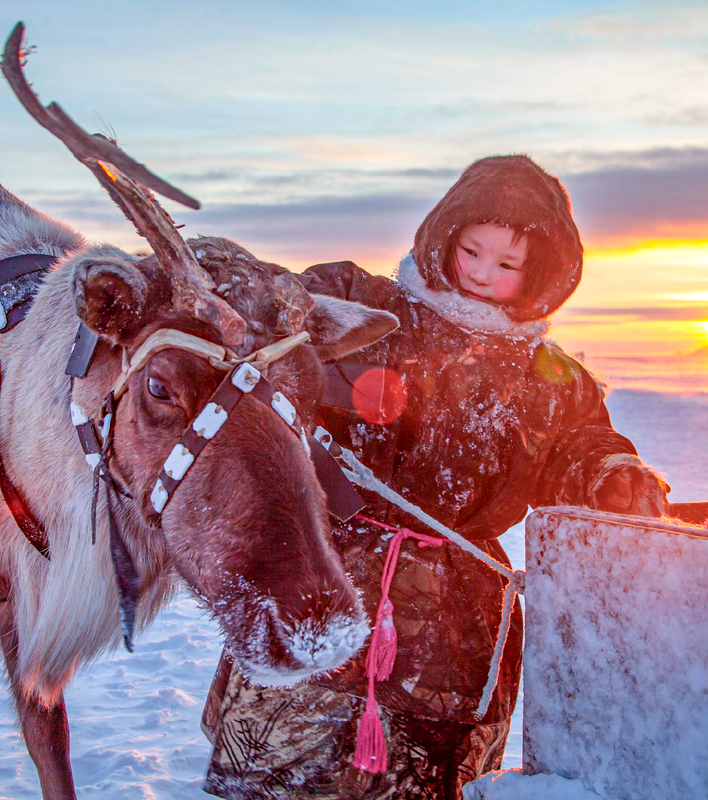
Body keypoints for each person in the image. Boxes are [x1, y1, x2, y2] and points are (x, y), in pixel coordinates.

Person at [200, 155, 669, 799]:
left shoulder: (551, 379)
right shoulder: (364, 305)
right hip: (326, 583)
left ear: (542, 275)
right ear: (443, 237)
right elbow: (274, 310)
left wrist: (614, 474)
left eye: (507, 266)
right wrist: (230, 279)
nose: (481, 275)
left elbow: (583, 446)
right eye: (472, 251)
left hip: (458, 632)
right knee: (280, 784)